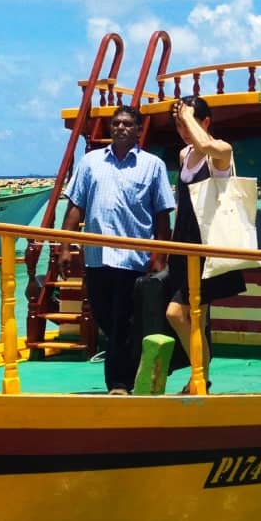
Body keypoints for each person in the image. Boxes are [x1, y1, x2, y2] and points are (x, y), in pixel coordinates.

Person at [59, 105, 175, 395]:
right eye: (116, 123)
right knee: (106, 319)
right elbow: (76, 206)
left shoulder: (152, 165)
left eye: (127, 124)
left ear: (137, 130)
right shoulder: (90, 162)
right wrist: (64, 246)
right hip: (97, 257)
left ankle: (119, 384)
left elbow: (162, 215)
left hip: (132, 259)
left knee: (122, 321)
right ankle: (136, 365)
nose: (120, 128)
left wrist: (160, 256)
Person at [166, 96, 247, 393]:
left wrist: (188, 117)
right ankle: (199, 376)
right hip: (184, 244)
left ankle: (199, 376)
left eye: (188, 123)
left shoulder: (222, 151)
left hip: (208, 246)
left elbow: (206, 147)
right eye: (178, 124)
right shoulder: (184, 154)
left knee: (183, 314)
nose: (183, 130)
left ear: (205, 123)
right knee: (190, 317)